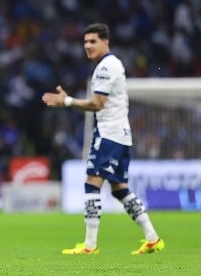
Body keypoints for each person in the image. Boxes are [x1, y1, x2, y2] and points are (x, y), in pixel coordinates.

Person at [42, 23, 165, 255]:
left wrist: (67, 101)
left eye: (93, 41)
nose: (87, 46)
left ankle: (90, 245)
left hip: (109, 134)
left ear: (105, 42)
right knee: (119, 189)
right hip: (121, 134)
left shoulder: (106, 67)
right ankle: (152, 237)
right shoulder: (111, 64)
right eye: (85, 42)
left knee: (91, 183)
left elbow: (98, 104)